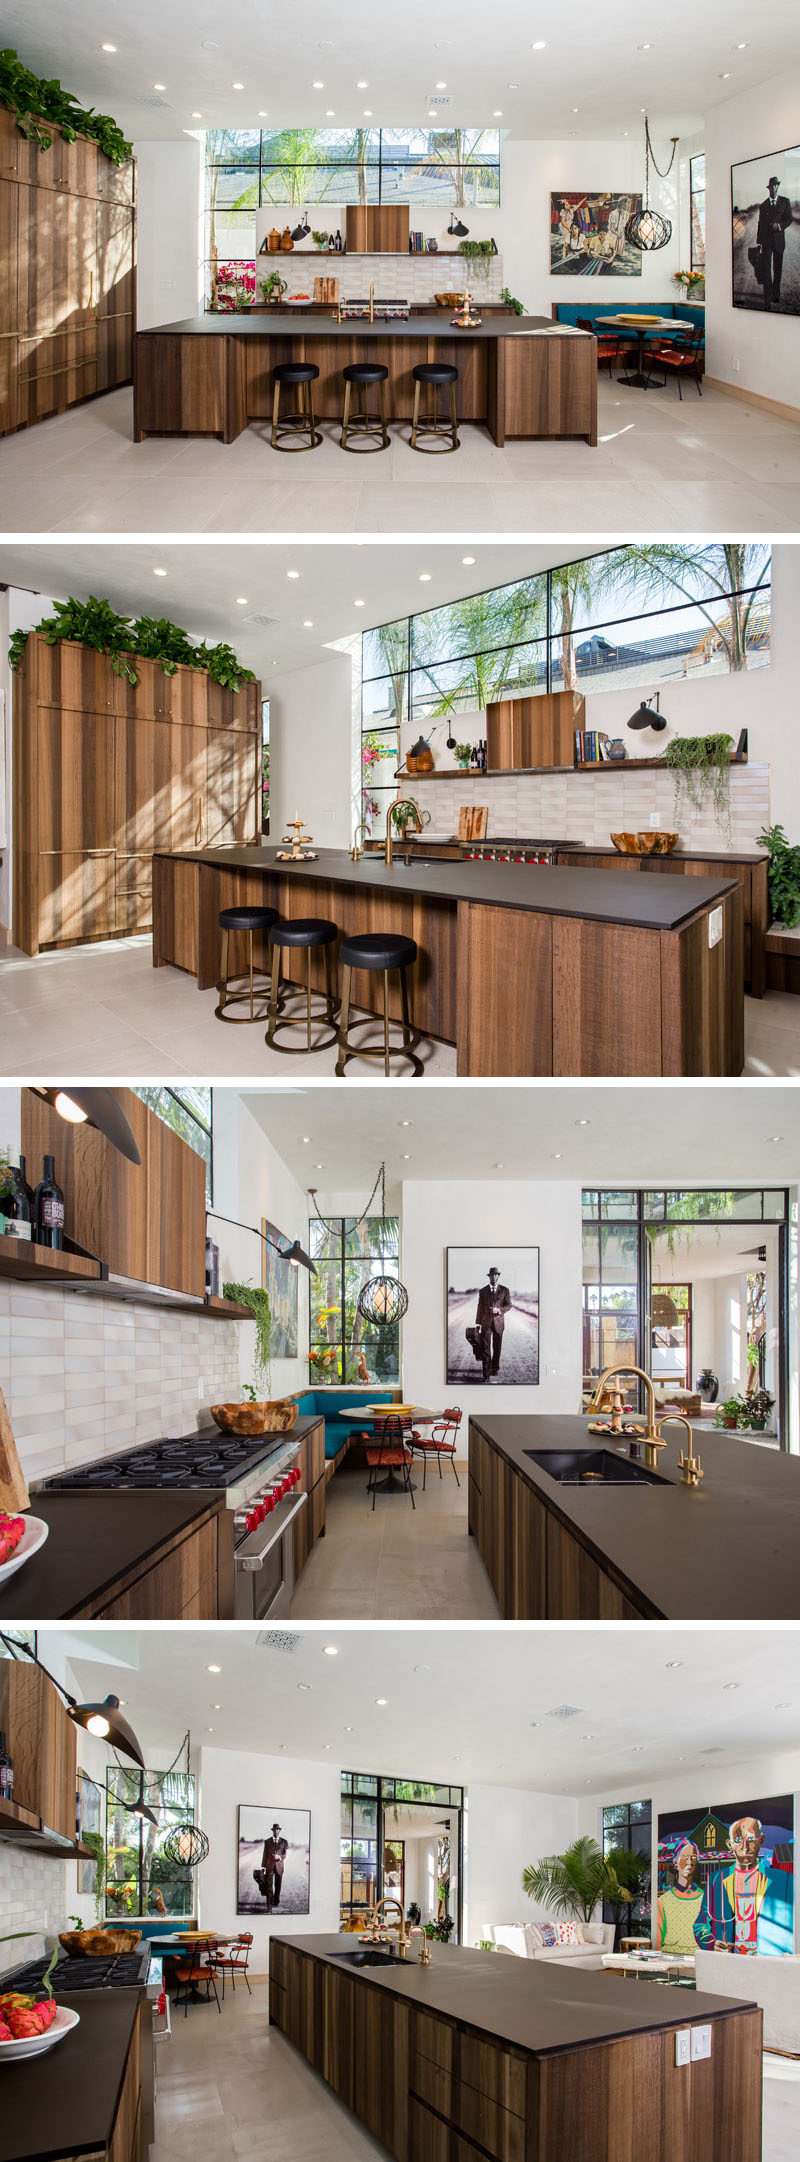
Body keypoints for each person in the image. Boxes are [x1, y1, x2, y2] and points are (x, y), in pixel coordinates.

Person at [656, 1840, 713, 1953]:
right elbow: (658, 1939)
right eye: (684, 1857)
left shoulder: (706, 1899)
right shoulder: (663, 1901)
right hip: (670, 1958)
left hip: (699, 1959)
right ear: (676, 1863)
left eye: (693, 1857)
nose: (689, 1862)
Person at [756, 176, 793, 308]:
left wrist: (780, 226)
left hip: (779, 242)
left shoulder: (785, 202)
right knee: (766, 269)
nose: (774, 188)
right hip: (766, 242)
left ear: (778, 187)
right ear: (769, 188)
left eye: (776, 186)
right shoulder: (763, 205)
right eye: (772, 186)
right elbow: (760, 224)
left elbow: (789, 219)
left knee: (777, 269)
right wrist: (759, 242)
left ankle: (775, 294)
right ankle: (767, 297)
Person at [475, 1266, 512, 1383]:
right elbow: (479, 1308)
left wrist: (499, 1310)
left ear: (498, 1276)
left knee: (497, 1347)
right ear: (489, 1276)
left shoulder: (505, 1290)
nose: (494, 1277)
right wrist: (478, 1324)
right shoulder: (483, 1291)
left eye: (496, 1275)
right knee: (485, 1349)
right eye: (492, 1275)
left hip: (499, 1324)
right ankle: (486, 1375)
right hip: (486, 1323)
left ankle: (495, 1368)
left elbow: (509, 1305)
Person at [256, 1821, 288, 1911]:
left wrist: (280, 1857)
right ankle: (269, 1905)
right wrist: (263, 1866)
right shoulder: (267, 1841)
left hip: (279, 1867)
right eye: (274, 1830)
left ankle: (276, 1901)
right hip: (269, 1866)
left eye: (277, 1830)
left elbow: (285, 1855)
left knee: (278, 1885)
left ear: (279, 1831)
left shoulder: (284, 1842)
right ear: (272, 1831)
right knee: (269, 1886)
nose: (276, 1831)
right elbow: (265, 1854)